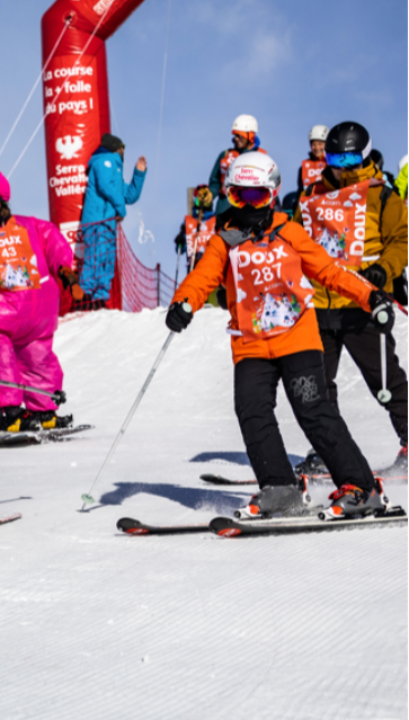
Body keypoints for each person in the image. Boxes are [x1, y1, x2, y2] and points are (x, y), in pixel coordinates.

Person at [166, 151, 395, 519]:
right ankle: (280, 487)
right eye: (239, 196)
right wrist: (183, 303)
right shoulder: (224, 240)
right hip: (250, 343)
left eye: (256, 196)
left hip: (297, 337)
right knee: (252, 412)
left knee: (313, 411)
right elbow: (202, 278)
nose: (247, 204)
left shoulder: (289, 231)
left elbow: (330, 271)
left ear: (272, 194)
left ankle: (362, 487)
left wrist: (371, 297)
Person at [294, 121, 408, 474]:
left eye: (348, 158)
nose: (341, 167)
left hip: (362, 303)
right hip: (319, 304)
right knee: (317, 389)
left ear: (365, 155)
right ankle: (331, 454)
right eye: (333, 157)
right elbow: (294, 238)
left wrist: (382, 271)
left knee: (385, 380)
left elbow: (401, 240)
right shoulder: (313, 194)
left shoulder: (382, 194)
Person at [0, 169, 77, 432]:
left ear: (2, 199)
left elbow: (52, 240)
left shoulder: (28, 226)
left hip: (36, 316)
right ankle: (9, 413)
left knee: (39, 361)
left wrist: (64, 269)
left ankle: (44, 409)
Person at [79, 133, 147, 302]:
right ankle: (86, 296)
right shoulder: (105, 161)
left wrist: (139, 173)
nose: (124, 151)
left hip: (107, 223)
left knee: (106, 260)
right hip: (97, 220)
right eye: (123, 148)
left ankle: (99, 298)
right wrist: (121, 211)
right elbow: (106, 187)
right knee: (96, 257)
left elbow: (129, 195)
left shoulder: (115, 171)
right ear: (118, 148)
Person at [209, 115, 266, 215]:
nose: (235, 139)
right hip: (224, 210)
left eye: (239, 135)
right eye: (234, 135)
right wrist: (209, 194)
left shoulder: (261, 157)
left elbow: (270, 185)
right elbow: (215, 183)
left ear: (251, 136)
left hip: (251, 211)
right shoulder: (225, 155)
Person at [173, 185, 216, 273]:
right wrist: (180, 242)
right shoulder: (189, 222)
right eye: (198, 202)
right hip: (194, 267)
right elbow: (180, 250)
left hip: (212, 266)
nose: (202, 205)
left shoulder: (216, 221)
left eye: (206, 202)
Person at [297, 125, 328, 193]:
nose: (317, 148)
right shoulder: (303, 168)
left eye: (320, 144)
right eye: (314, 144)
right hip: (310, 202)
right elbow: (300, 191)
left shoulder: (333, 165)